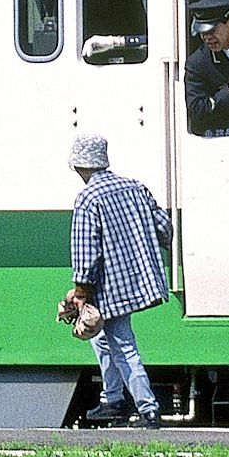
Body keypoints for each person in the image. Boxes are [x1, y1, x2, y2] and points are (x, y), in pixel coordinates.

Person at [64, 134, 172, 429]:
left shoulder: (88, 198)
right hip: (138, 279)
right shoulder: (135, 187)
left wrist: (80, 291)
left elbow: (86, 250)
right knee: (101, 339)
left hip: (109, 287)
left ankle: (148, 409)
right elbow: (165, 230)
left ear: (78, 165)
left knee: (123, 345)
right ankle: (112, 400)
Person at [183, 0, 229, 137]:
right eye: (202, 32)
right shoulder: (198, 63)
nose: (207, 38)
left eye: (212, 30)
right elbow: (197, 110)